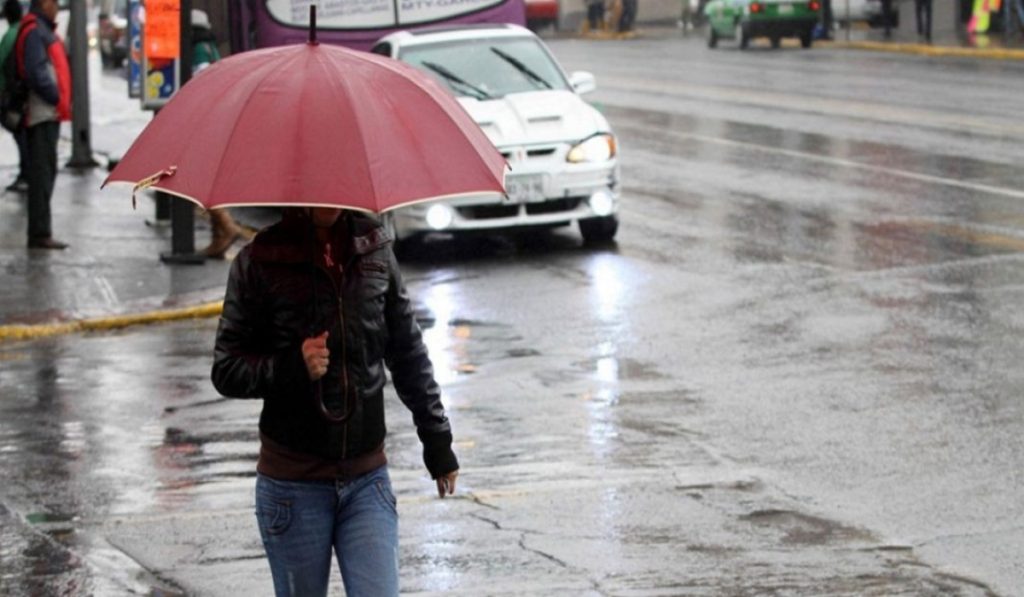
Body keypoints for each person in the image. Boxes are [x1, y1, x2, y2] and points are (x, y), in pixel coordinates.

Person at [212, 207, 460, 597]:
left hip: (367, 479)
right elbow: (226, 369)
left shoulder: (374, 249)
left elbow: (407, 351)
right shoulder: (259, 260)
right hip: (293, 484)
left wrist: (437, 438)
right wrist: (293, 366)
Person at [190, 8, 245, 259]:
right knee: (206, 176)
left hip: (204, 119)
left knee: (199, 177)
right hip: (215, 119)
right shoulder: (210, 47)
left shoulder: (198, 50)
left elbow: (201, 82)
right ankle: (219, 235)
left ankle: (226, 225)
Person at [17, 0, 70, 249]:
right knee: (42, 174)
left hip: (47, 112)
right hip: (42, 113)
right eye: (55, 3)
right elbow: (37, 72)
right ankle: (39, 232)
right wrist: (56, 97)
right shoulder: (36, 31)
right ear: (45, 4)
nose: (57, 7)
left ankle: (41, 230)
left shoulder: (39, 29)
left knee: (45, 171)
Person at [0, 0, 27, 193]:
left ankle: (25, 173)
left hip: (12, 96)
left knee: (19, 134)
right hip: (23, 94)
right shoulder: (24, 31)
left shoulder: (10, 35)